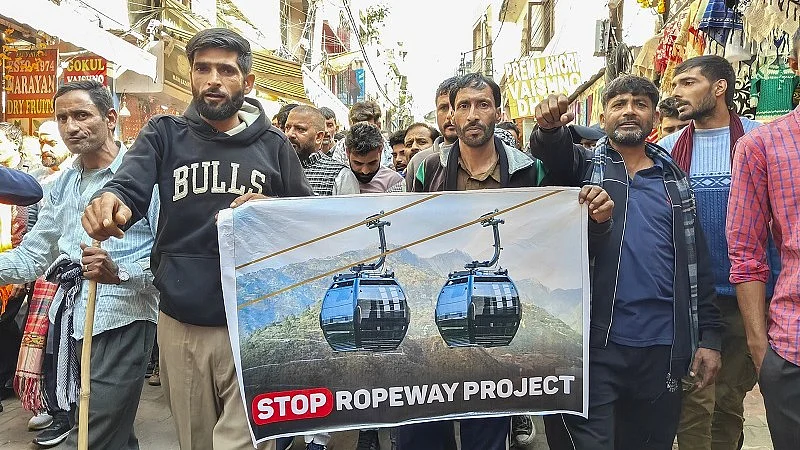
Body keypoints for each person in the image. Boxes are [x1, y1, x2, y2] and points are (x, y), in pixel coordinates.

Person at [81, 28, 313, 450]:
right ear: (190, 75)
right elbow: (130, 184)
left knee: (245, 442)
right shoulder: (164, 134)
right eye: (202, 68)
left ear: (248, 80)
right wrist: (109, 198)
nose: (213, 80)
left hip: (256, 321)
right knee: (196, 442)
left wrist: (268, 210)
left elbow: (306, 222)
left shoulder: (275, 145)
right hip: (182, 321)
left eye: (226, 69)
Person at [402, 72, 613, 450]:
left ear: (498, 113)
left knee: (487, 426)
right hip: (443, 313)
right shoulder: (425, 169)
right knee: (426, 425)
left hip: (497, 317)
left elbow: (555, 234)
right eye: (462, 105)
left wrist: (592, 216)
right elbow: (410, 235)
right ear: (450, 113)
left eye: (482, 105)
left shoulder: (530, 171)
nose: (472, 115)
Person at [530, 75, 722, 450]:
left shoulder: (675, 183)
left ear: (653, 118)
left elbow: (697, 264)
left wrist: (710, 338)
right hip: (592, 347)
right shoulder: (582, 168)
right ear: (603, 117)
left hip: (663, 348)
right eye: (619, 104)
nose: (630, 110)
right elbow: (552, 152)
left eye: (640, 103)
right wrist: (549, 129)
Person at [0, 80, 159, 448]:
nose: (71, 127)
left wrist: (118, 274)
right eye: (63, 118)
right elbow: (32, 257)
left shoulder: (143, 179)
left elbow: (166, 263)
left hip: (124, 318)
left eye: (82, 115)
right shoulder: (61, 184)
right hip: (70, 320)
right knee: (112, 433)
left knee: (93, 432)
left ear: (110, 118)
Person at [658, 54, 770, 450]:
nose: (677, 92)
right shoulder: (668, 150)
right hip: (692, 300)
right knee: (694, 397)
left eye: (688, 82)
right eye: (676, 84)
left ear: (719, 87)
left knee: (729, 398)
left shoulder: (759, 140)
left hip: (747, 299)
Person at [726, 29, 800, 450]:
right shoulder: (763, 146)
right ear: (795, 64)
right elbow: (747, 254)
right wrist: (761, 351)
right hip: (793, 351)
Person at [285, 105, 359, 196]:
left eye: (300, 129)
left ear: (319, 137)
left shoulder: (341, 176)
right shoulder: (276, 167)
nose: (290, 134)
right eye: (287, 128)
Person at [405, 76, 461, 190]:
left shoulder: (492, 155)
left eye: (457, 106)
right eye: (443, 108)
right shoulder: (420, 162)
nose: (450, 115)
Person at [331, 101, 392, 168]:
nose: (362, 132)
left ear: (378, 126)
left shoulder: (389, 150)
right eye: (357, 128)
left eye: (368, 128)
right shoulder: (341, 148)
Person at [345, 123, 404, 193]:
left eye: (372, 163)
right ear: (348, 153)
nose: (365, 171)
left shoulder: (394, 182)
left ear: (381, 151)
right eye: (358, 163)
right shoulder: (338, 180)